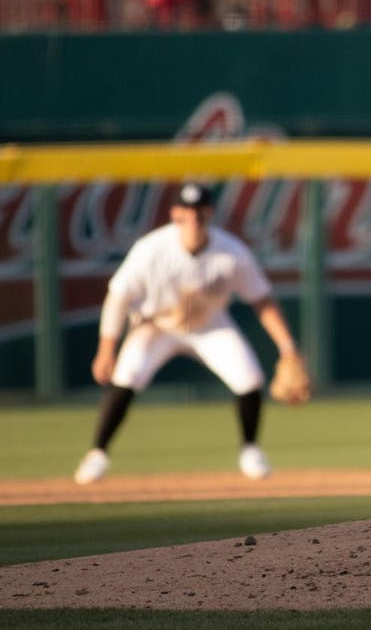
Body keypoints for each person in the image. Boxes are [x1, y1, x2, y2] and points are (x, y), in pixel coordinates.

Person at [73, 183, 306, 484]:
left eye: (199, 210)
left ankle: (251, 451)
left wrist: (287, 348)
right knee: (127, 376)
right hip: (156, 326)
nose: (192, 216)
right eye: (186, 209)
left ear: (209, 212)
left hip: (209, 326)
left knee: (249, 377)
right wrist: (107, 348)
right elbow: (118, 296)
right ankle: (97, 454)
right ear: (175, 213)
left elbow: (262, 300)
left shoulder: (231, 252)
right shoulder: (151, 249)